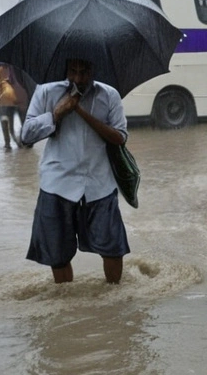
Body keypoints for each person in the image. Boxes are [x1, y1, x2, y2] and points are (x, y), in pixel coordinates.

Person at [20, 59, 129, 285]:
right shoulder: (45, 91)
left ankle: (115, 299)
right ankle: (66, 302)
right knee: (57, 254)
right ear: (65, 70)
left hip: (99, 183)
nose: (78, 79)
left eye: (84, 72)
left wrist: (79, 109)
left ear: (93, 71)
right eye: (73, 71)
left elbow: (120, 137)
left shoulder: (109, 95)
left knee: (113, 248)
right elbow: (27, 135)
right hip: (57, 183)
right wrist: (57, 113)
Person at [0, 62, 28, 149]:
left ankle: (20, 141)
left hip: (17, 96)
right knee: (6, 121)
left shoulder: (16, 66)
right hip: (8, 97)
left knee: (22, 120)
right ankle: (11, 142)